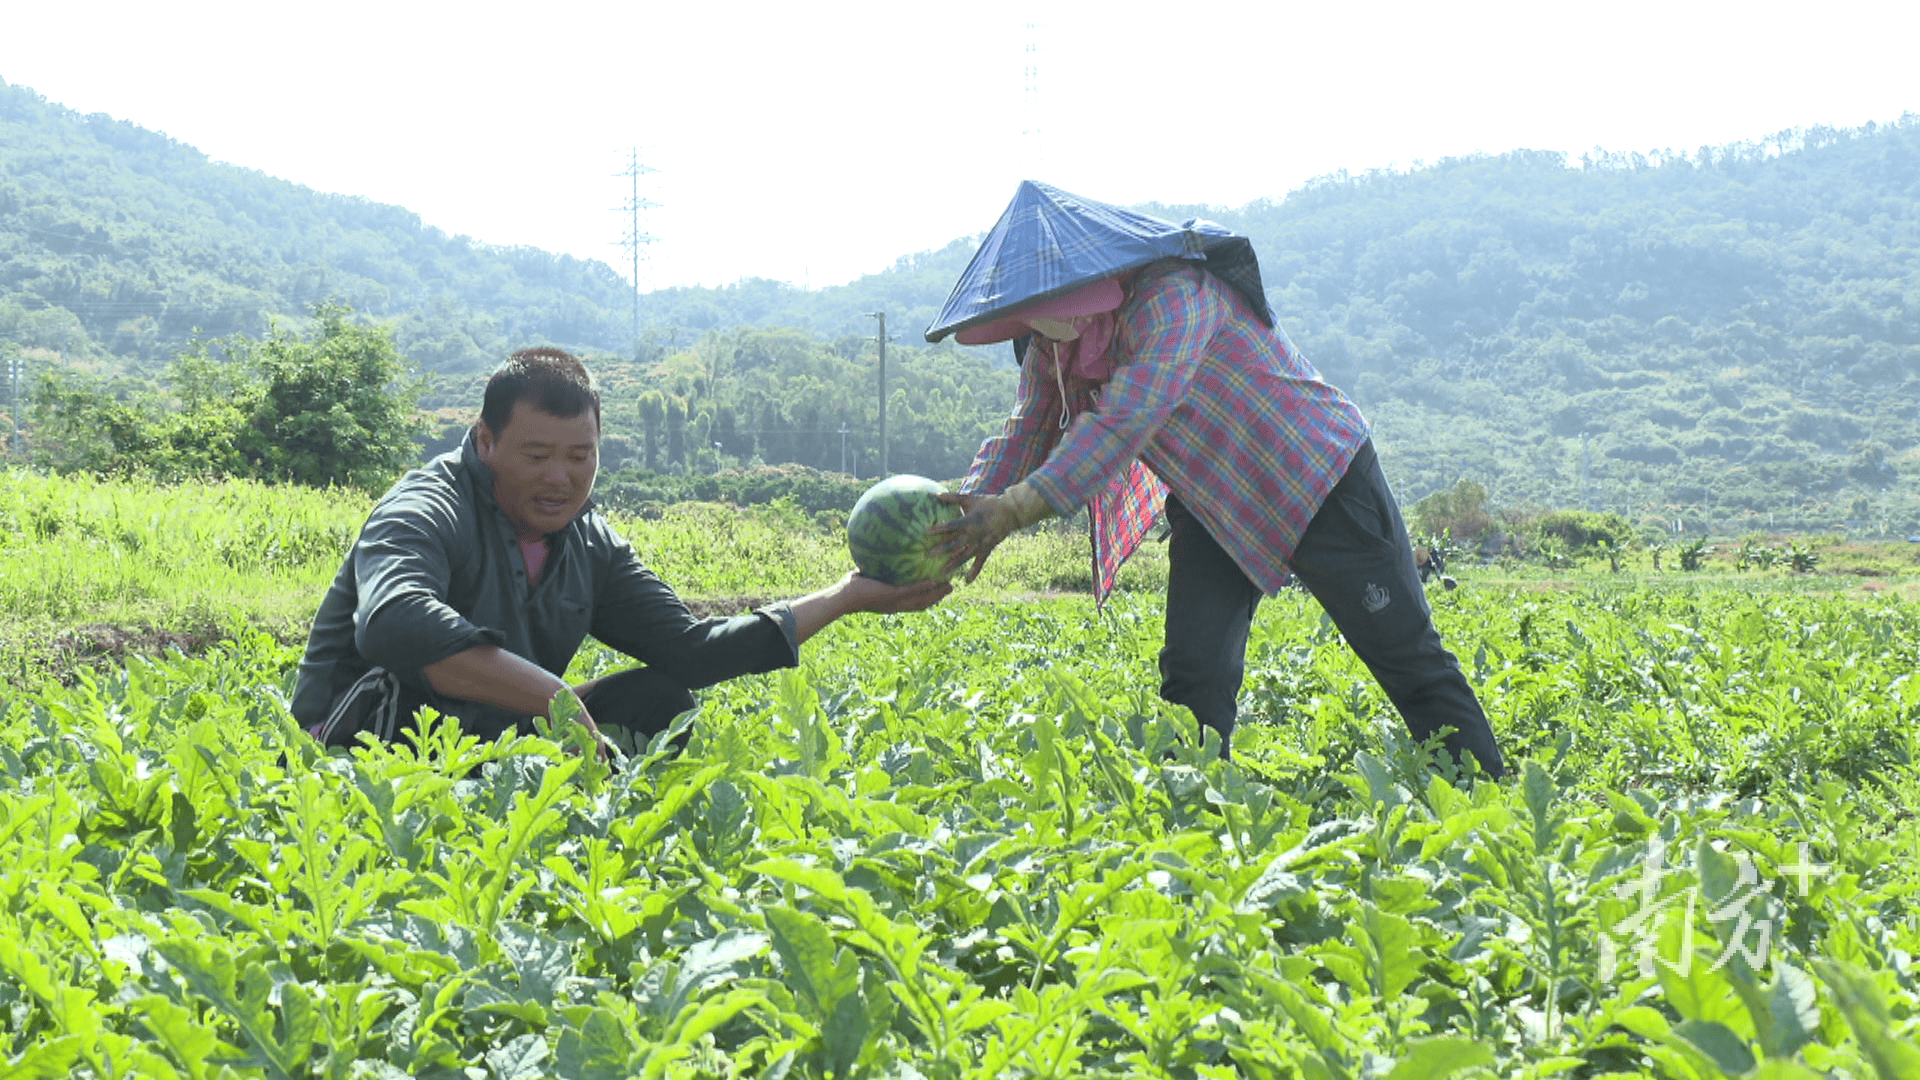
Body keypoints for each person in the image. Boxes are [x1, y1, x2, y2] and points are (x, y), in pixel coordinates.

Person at [924, 182, 1505, 779]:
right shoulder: (1053, 346)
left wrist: (1013, 510)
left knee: (1404, 653)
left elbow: (1122, 423)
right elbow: (1028, 427)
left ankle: (1488, 794)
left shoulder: (1173, 296)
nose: (1038, 318)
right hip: (1213, 498)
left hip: (1316, 476)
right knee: (1193, 673)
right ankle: (1192, 815)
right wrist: (959, 515)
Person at [292, 347, 947, 754]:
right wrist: (555, 699)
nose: (561, 478)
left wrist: (847, 595)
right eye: (538, 455)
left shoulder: (588, 544)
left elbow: (691, 651)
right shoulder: (425, 505)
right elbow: (393, 619)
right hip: (368, 744)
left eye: (580, 457)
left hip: (482, 742)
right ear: (486, 441)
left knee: (659, 699)